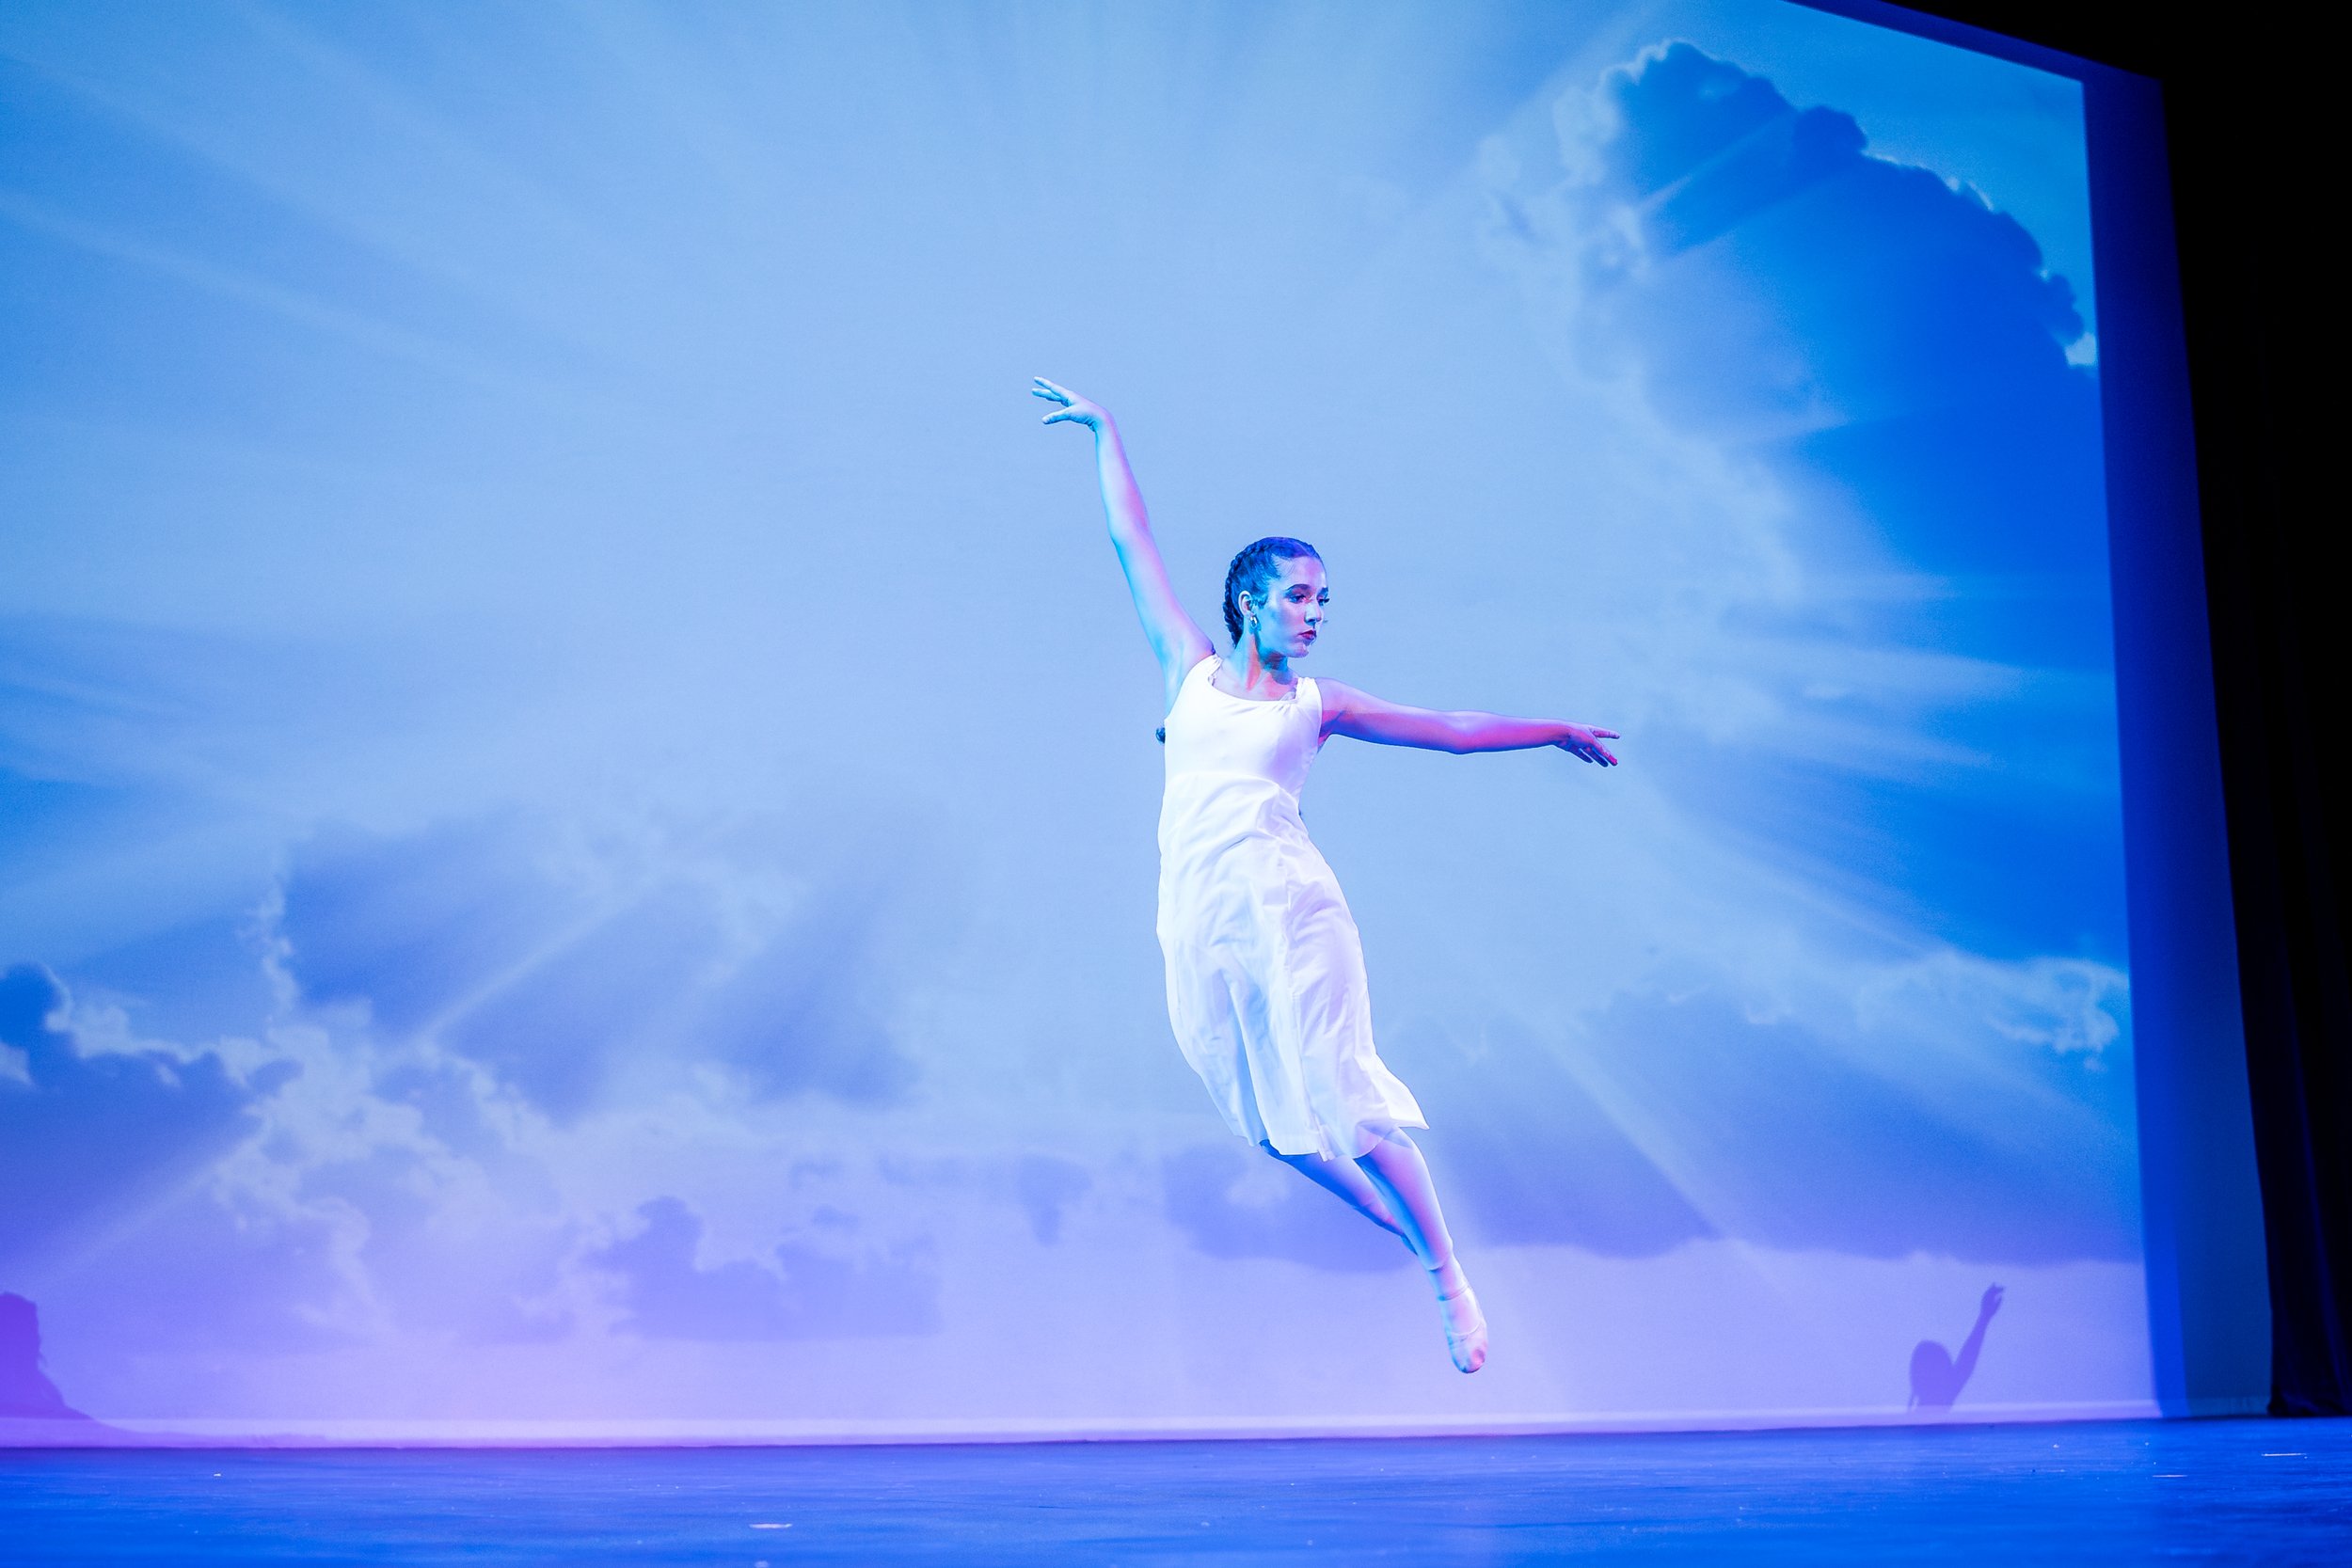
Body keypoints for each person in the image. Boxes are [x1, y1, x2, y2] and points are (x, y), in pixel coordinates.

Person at [1034, 377, 1619, 1373]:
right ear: (1249, 600)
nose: (1315, 615)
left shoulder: (1317, 702)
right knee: (1273, 1131)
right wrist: (1106, 431)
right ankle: (1417, 1237)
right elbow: (1131, 544)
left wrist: (1552, 727)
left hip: (1291, 906)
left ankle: (1446, 1275)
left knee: (1347, 1102)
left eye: (1323, 601)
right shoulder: (1187, 670)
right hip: (1198, 914)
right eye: (1300, 596)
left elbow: (1450, 732)